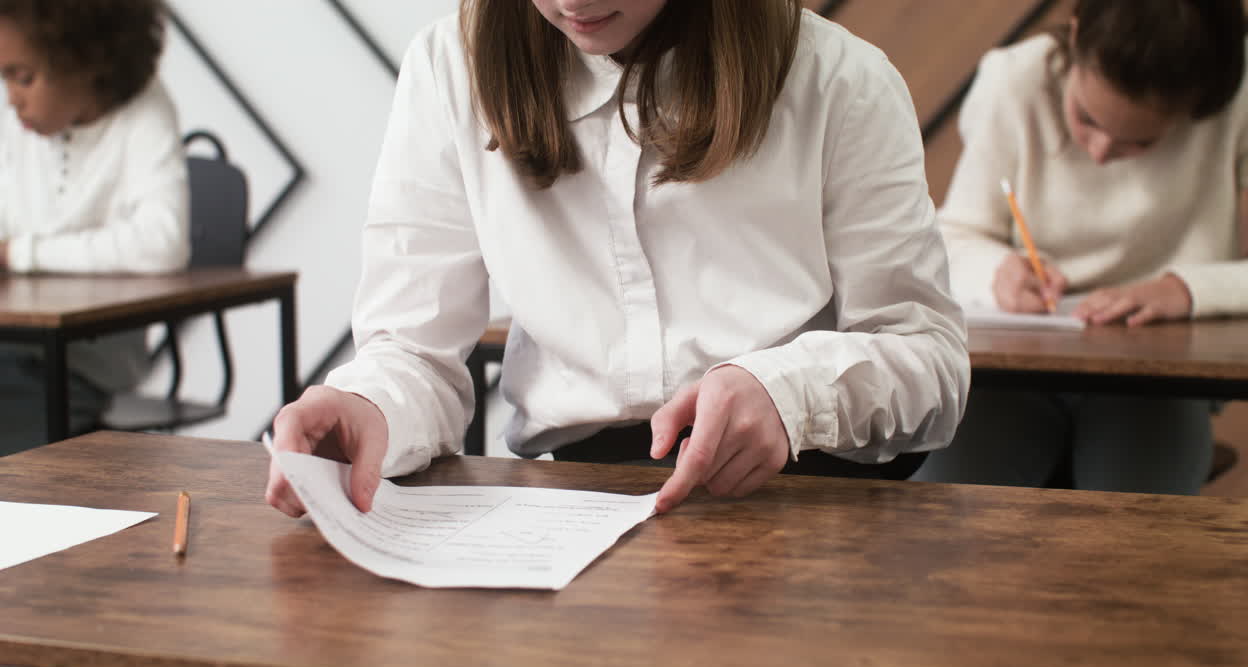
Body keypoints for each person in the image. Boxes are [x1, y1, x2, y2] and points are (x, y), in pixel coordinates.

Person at [266, 0, 968, 517]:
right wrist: (368, 406)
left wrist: (789, 395)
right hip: (574, 508)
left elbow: (928, 358)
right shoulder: (449, 67)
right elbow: (414, 355)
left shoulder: (838, 80)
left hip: (811, 504)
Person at [914, 0, 1248, 494]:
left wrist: (1186, 290)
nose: (1101, 152)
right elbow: (955, 237)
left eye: (1140, 144)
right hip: (1012, 373)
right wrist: (998, 269)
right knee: (947, 520)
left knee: (1135, 531)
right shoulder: (1015, 80)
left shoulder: (1241, 87)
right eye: (1085, 117)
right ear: (1076, 33)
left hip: (1161, 380)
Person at [0, 0, 189, 455]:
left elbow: (163, 242)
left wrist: (19, 254)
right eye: (4, 76)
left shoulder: (142, 112)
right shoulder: (17, 124)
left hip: (78, 365)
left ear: (86, 62)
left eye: (24, 77)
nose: (12, 98)